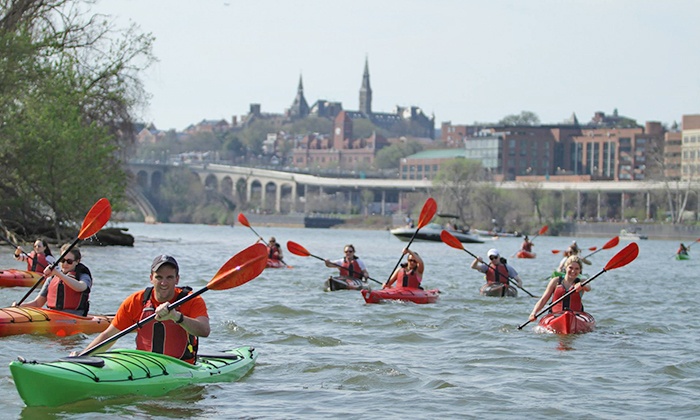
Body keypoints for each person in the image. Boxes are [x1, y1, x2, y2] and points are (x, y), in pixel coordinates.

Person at [79, 255, 209, 364]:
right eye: (159, 277)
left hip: (182, 366)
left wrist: (176, 317)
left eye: (169, 277)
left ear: (177, 279)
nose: (164, 283)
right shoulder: (136, 301)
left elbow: (204, 331)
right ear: (151, 278)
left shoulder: (191, 300)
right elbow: (109, 336)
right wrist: (83, 356)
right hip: (145, 365)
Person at [13, 244, 91, 316]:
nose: (65, 264)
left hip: (75, 316)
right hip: (53, 315)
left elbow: (81, 287)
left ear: (77, 261)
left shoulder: (83, 275)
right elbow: (38, 303)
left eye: (69, 261)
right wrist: (20, 306)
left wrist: (58, 274)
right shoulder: (52, 277)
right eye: (62, 260)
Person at [529, 255, 590, 321]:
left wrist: (582, 285)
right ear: (565, 268)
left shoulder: (582, 281)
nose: (573, 271)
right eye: (570, 268)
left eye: (576, 269)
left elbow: (588, 288)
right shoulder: (555, 281)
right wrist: (534, 313)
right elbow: (543, 299)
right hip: (555, 316)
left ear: (580, 270)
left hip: (575, 316)